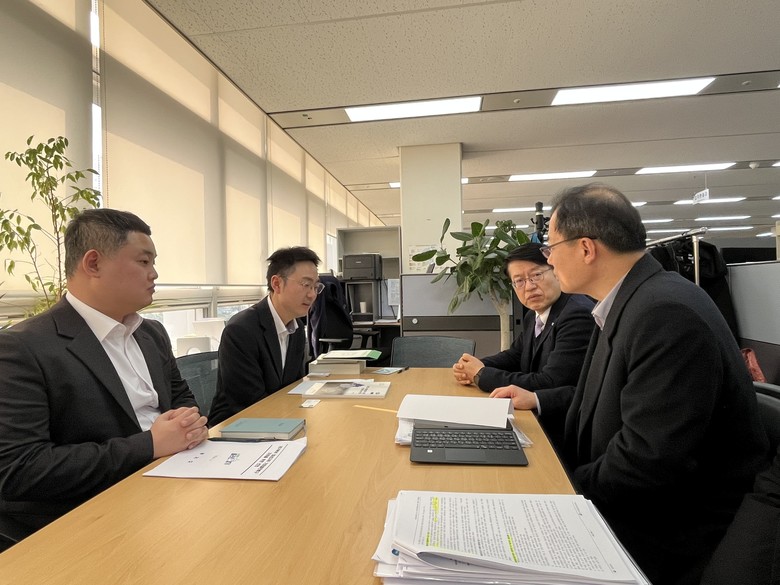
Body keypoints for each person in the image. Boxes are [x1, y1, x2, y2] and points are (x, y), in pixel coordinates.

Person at [494, 183, 767, 585]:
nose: (548, 258)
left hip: (664, 533)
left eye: (550, 248)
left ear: (586, 249)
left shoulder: (664, 313)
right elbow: (596, 404)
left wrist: (554, 492)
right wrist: (538, 414)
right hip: (630, 505)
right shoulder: (631, 301)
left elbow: (646, 463)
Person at [0, 209, 208, 538]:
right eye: (144, 261)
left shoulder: (151, 333)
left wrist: (188, 424)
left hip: (175, 484)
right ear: (94, 263)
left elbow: (181, 396)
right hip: (91, 518)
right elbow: (22, 469)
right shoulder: (23, 347)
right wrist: (149, 445)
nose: (154, 273)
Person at [452, 243, 594, 447]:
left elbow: (550, 382)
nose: (529, 286)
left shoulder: (576, 315)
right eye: (519, 281)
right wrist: (473, 366)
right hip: (535, 421)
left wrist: (482, 374)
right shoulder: (534, 315)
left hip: (562, 432)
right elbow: (516, 355)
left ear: (556, 271)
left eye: (536, 275)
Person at [208, 246, 322, 426]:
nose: (312, 294)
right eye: (306, 285)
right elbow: (249, 402)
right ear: (277, 284)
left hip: (280, 420)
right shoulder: (241, 330)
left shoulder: (297, 328)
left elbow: (293, 388)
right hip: (239, 426)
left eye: (316, 287)